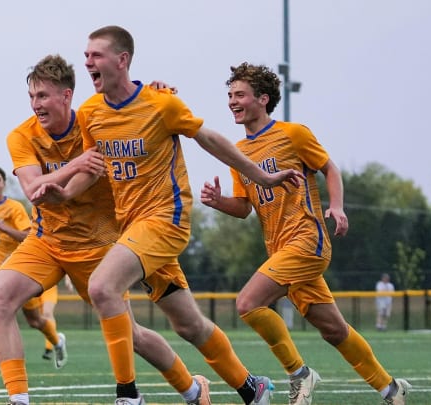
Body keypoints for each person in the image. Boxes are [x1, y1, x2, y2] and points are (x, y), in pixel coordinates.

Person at [29, 26, 304, 405]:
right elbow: (93, 168)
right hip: (132, 231)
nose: (88, 62)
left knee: (101, 287)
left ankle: (128, 396)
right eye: (86, 55)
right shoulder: (92, 113)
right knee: (188, 325)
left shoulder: (162, 104)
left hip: (165, 221)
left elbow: (209, 139)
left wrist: (261, 175)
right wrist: (63, 194)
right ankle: (250, 388)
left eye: (96, 55)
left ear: (122, 60)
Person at [199, 62, 411, 404]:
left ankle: (300, 375)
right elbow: (243, 208)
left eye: (239, 94)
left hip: (307, 242)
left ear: (263, 99)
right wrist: (217, 201)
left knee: (248, 303)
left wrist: (337, 207)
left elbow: (329, 168)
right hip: (280, 251)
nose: (232, 101)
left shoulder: (292, 134)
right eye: (229, 95)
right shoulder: (237, 153)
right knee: (334, 330)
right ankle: (391, 389)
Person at [0, 165, 67, 374]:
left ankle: (57, 341)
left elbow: (28, 236)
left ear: (4, 184)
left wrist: (3, 226)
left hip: (17, 269)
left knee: (35, 321)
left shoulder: (15, 208)